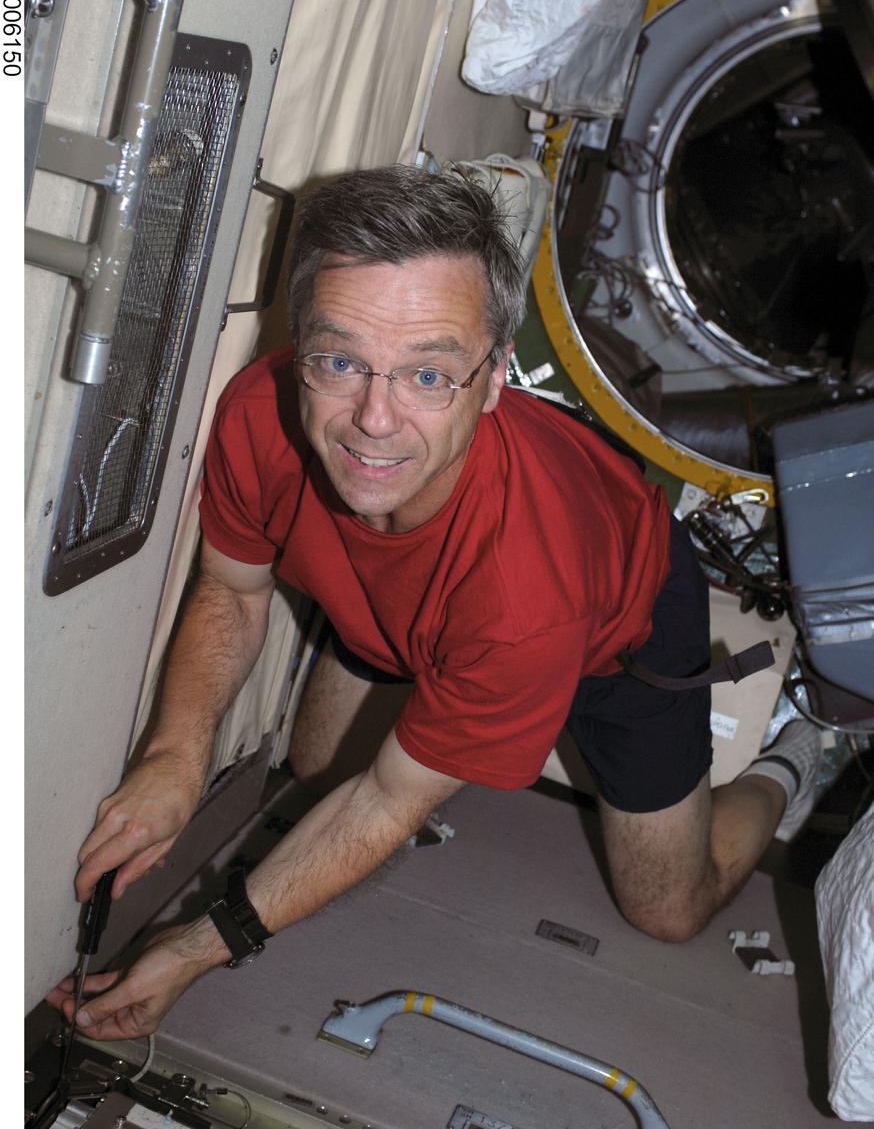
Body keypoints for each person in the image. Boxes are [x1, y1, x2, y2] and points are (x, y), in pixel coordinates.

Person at [48, 164, 821, 1041]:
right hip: (399, 604)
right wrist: (177, 757)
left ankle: (793, 759)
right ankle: (423, 667)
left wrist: (193, 948)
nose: (373, 421)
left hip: (614, 625)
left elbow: (387, 802)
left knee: (669, 911)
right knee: (312, 772)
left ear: (494, 381)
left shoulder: (529, 594)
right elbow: (232, 585)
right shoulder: (260, 409)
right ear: (300, 348)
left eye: (428, 376)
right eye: (340, 361)